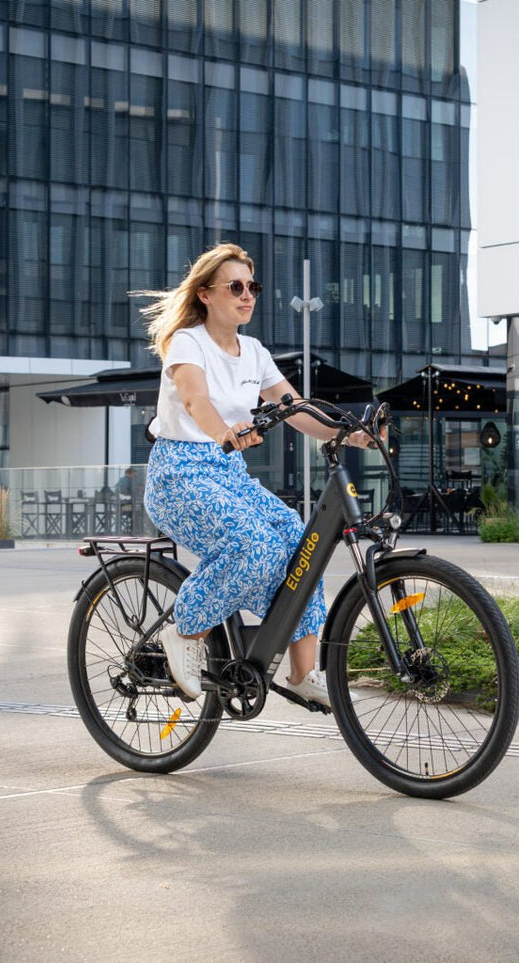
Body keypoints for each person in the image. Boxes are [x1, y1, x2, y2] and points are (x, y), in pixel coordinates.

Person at [138, 242, 376, 707]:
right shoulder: (188, 342)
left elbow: (295, 408)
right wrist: (223, 433)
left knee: (301, 543)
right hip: (180, 475)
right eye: (235, 287)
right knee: (253, 545)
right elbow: (195, 399)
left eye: (253, 287)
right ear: (206, 294)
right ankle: (184, 631)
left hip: (229, 474)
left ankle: (302, 673)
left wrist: (350, 435)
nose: (247, 295)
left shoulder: (254, 352)